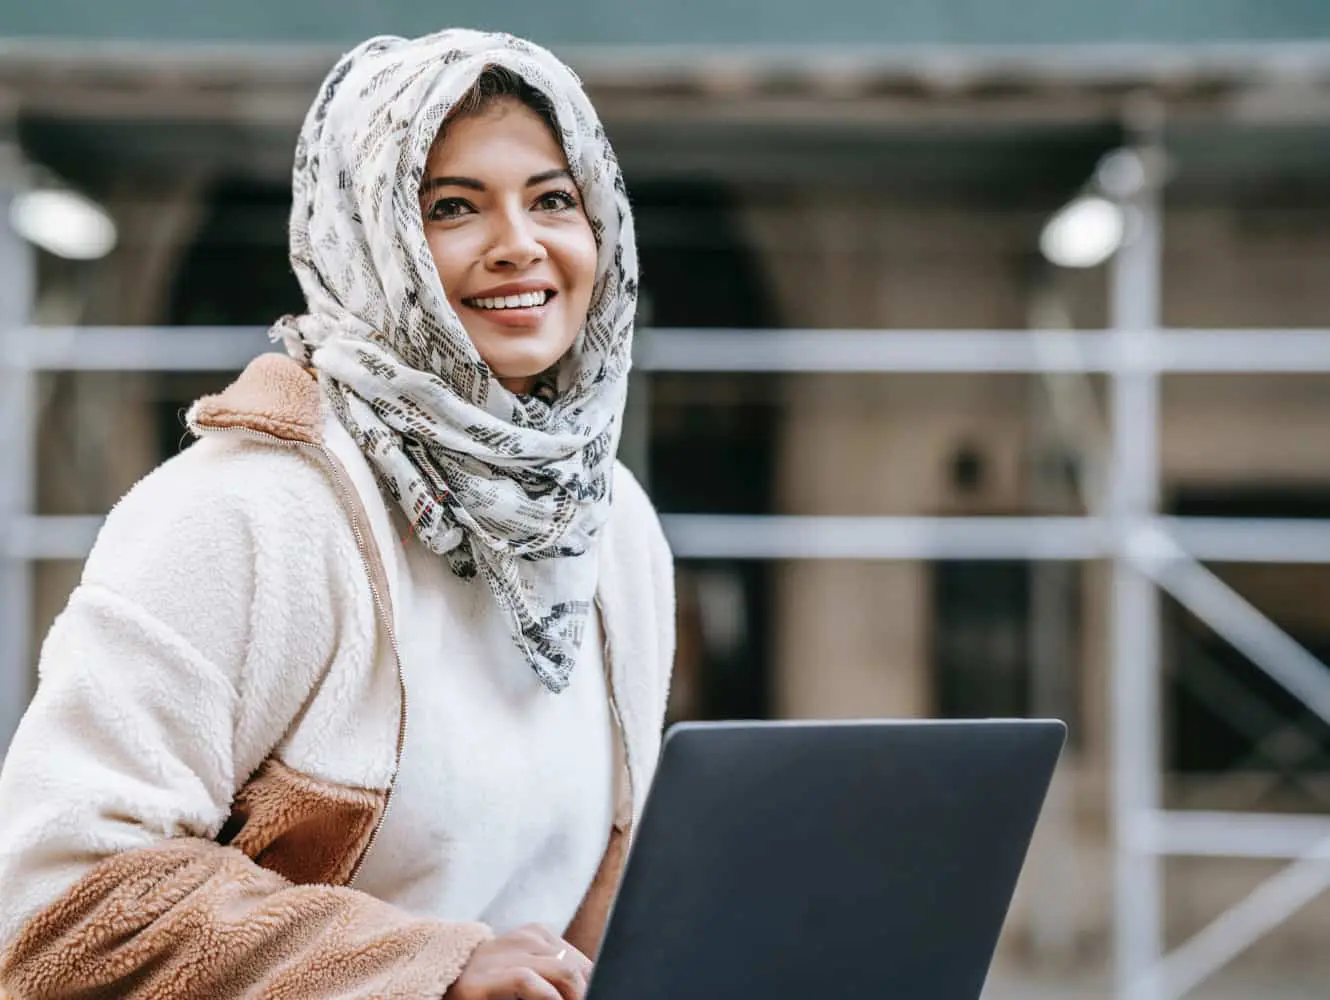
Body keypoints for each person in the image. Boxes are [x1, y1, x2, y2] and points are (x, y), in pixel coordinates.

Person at [0, 28, 674, 1000]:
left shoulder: (610, 527)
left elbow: (590, 916)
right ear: (368, 235)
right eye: (451, 206)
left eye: (554, 198)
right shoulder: (243, 511)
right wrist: (428, 969)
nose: (520, 243)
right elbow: (55, 900)